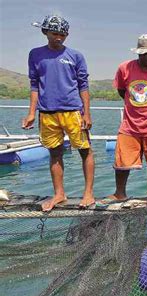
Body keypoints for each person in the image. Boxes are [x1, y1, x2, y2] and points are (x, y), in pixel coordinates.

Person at [22, 15, 95, 211]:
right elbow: (34, 84)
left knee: (85, 150)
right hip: (47, 113)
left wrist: (86, 113)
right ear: (45, 32)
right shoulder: (35, 54)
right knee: (55, 153)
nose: (59, 38)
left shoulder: (76, 56)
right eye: (55, 34)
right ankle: (59, 194)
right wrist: (31, 113)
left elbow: (83, 85)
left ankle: (88, 193)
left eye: (63, 34)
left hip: (73, 111)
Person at [102, 34, 147, 203]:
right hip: (129, 125)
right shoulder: (124, 68)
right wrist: (135, 106)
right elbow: (122, 90)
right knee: (121, 161)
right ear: (139, 53)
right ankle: (120, 193)